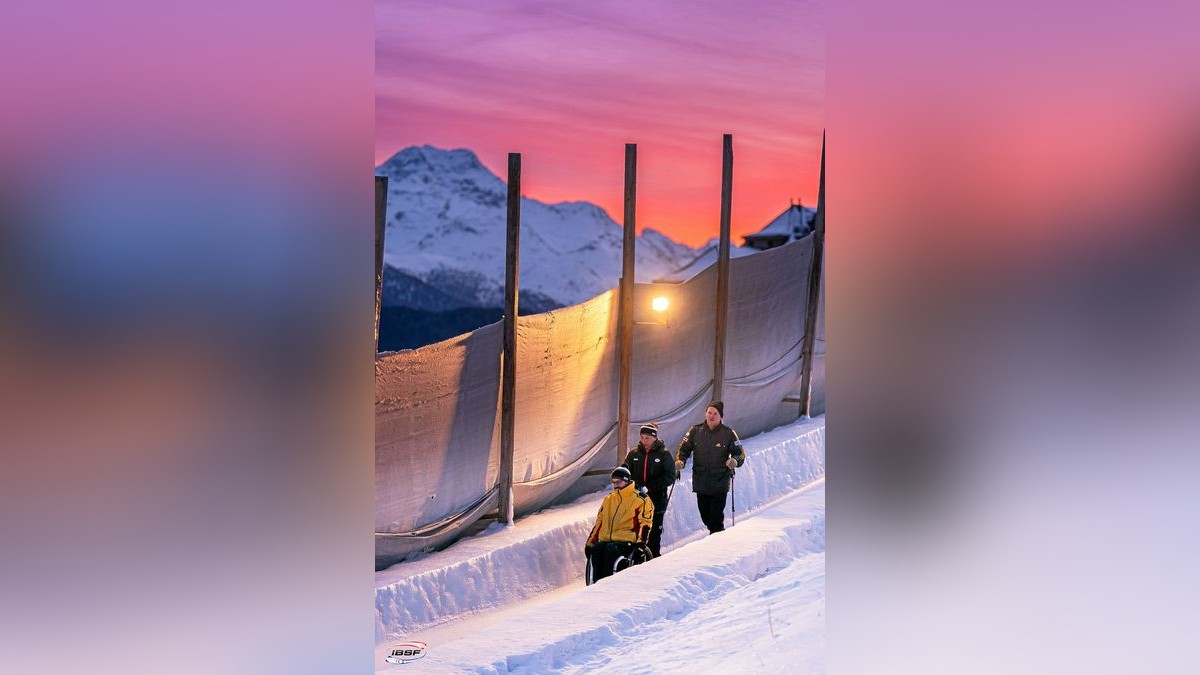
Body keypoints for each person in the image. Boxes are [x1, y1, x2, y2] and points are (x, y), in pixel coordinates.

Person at [674, 400, 745, 534]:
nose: (711, 416)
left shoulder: (728, 433)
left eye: (715, 413)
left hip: (720, 482)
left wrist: (734, 461)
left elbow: (739, 453)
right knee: (705, 517)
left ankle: (717, 543)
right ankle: (716, 534)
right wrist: (680, 460)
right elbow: (683, 448)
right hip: (701, 482)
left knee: (715, 518)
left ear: (721, 416)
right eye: (709, 412)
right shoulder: (695, 431)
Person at [584, 466, 654, 584]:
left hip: (626, 541)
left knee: (611, 551)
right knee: (597, 550)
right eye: (613, 482)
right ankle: (594, 586)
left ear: (626, 481)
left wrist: (641, 543)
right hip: (606, 540)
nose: (615, 485)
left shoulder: (640, 499)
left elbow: (645, 522)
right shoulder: (609, 499)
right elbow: (599, 523)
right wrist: (590, 543)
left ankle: (608, 585)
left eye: (619, 482)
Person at [621, 422, 676, 557]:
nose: (644, 440)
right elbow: (625, 470)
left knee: (653, 531)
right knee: (635, 528)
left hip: (656, 499)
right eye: (642, 437)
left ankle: (653, 557)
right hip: (636, 499)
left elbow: (670, 476)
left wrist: (651, 486)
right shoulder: (634, 454)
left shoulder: (664, 454)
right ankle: (635, 557)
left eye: (648, 438)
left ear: (654, 438)